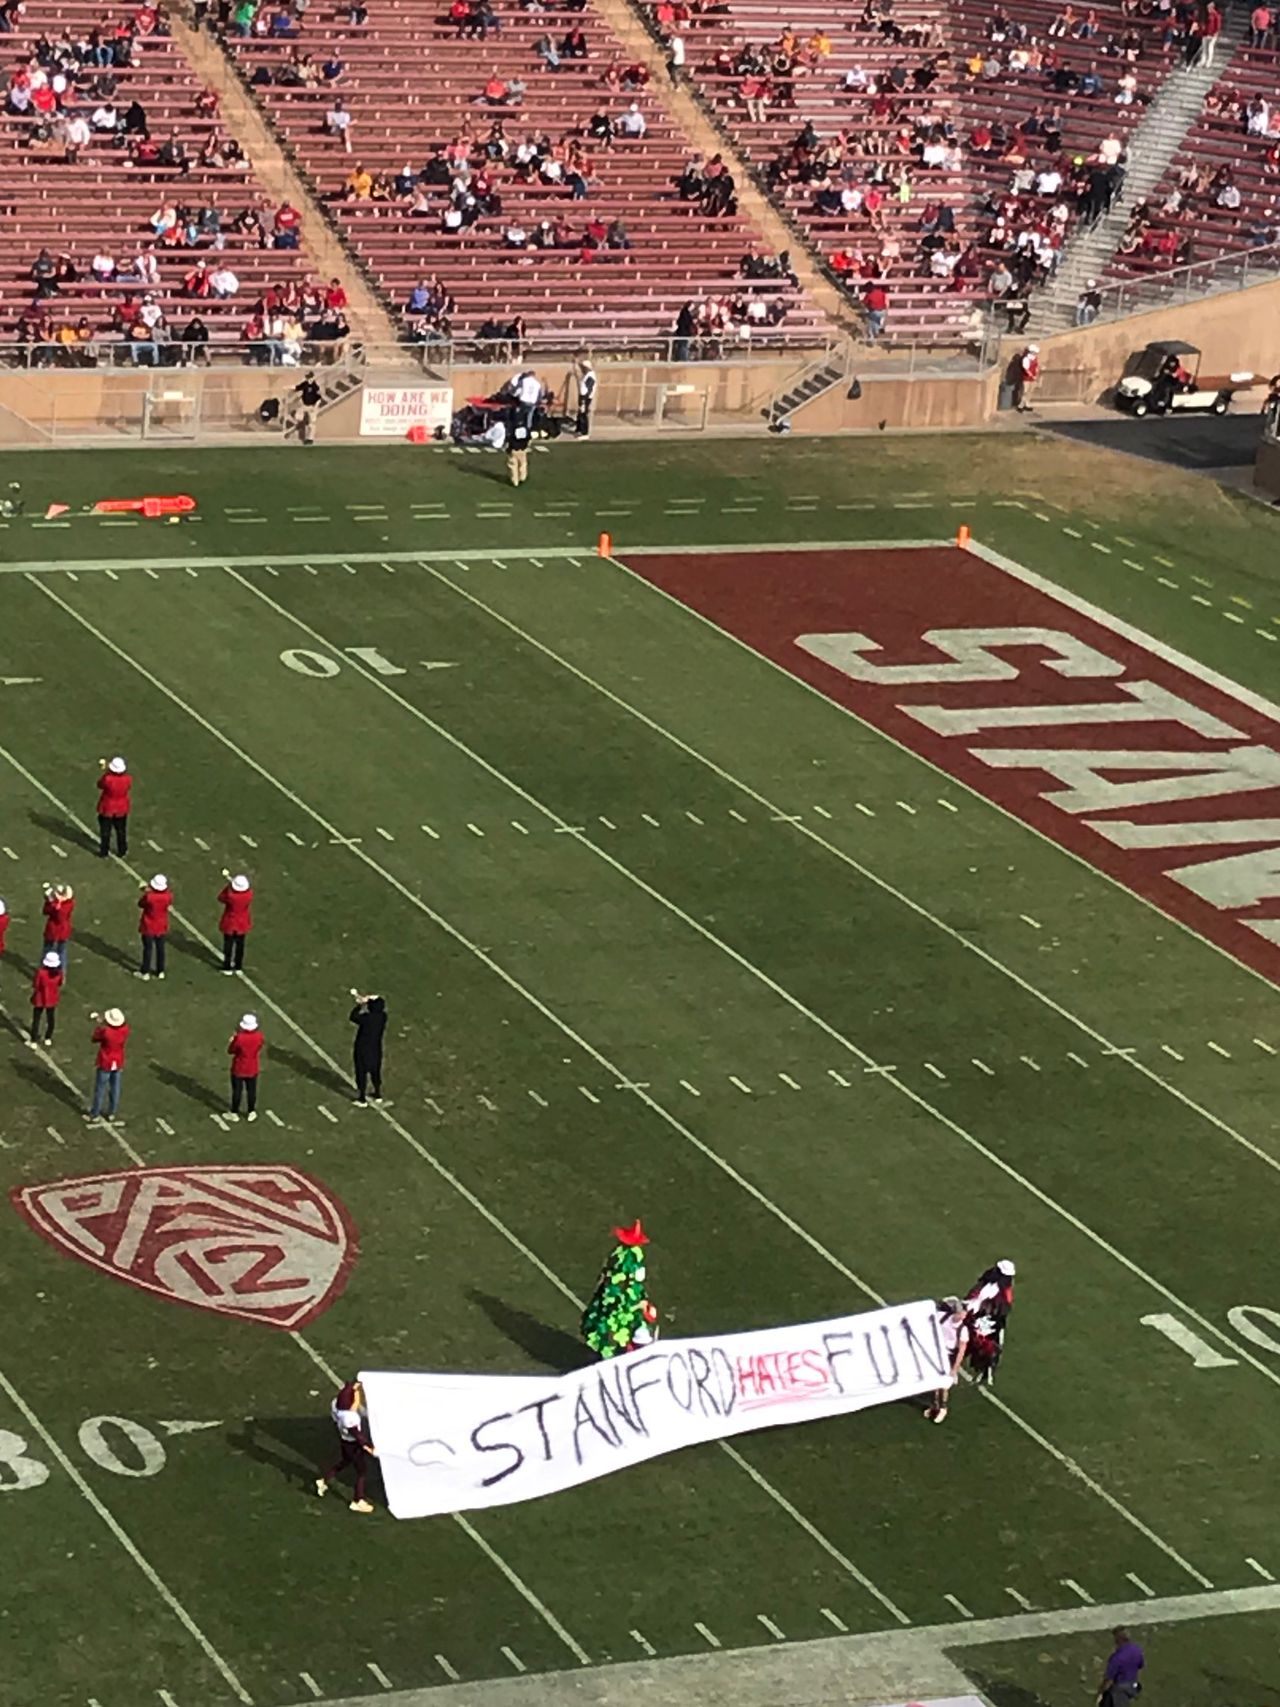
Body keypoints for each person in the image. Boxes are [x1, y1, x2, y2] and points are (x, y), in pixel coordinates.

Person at [316, 1379, 376, 1513]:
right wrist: (368, 1447)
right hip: (353, 1445)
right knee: (362, 1471)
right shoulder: (350, 1418)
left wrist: (355, 1388)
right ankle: (358, 1500)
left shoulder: (336, 1407)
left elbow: (352, 1401)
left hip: (344, 1441)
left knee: (344, 1462)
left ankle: (324, 1480)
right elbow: (357, 1435)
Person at [965, 1259, 1015, 1384]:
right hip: (981, 1319)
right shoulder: (999, 1289)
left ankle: (984, 1370)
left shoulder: (995, 1288)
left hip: (985, 1321)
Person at [923, 1297, 970, 1423]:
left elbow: (961, 1350)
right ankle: (935, 1406)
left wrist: (955, 1369)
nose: (962, 1316)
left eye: (964, 1314)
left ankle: (943, 1408)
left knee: (943, 1384)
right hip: (937, 1353)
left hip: (949, 1356)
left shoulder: (963, 1330)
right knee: (935, 1381)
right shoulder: (943, 1317)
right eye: (960, 1313)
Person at [86, 1006, 129, 1122]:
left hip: (106, 1061)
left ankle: (95, 1114)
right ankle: (112, 1113)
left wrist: (100, 1024)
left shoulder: (106, 1032)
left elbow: (95, 1037)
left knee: (100, 1089)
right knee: (115, 1088)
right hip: (118, 1061)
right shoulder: (125, 1030)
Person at [349, 990, 387, 1105]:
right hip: (376, 1050)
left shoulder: (366, 1018)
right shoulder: (382, 1017)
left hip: (363, 1049)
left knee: (361, 1073)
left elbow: (353, 1017)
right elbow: (379, 1001)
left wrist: (360, 1005)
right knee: (375, 1073)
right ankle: (377, 1094)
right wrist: (368, 998)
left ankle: (362, 1098)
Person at [227, 1013, 264, 1121]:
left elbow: (231, 1050)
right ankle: (251, 1111)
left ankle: (234, 1112)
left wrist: (232, 1041)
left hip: (239, 1068)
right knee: (251, 1091)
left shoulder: (239, 1038)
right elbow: (259, 1046)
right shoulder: (259, 1036)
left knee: (237, 1091)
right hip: (252, 1067)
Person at [137, 873, 172, 978]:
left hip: (149, 925)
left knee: (148, 949)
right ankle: (160, 971)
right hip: (161, 925)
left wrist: (146, 892)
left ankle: (145, 972)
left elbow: (141, 904)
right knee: (160, 949)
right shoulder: (168, 896)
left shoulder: (149, 897)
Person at [1097, 1628, 1144, 1707]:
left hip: (1119, 1691)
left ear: (1118, 1639)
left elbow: (1109, 1680)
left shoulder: (1117, 1658)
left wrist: (1100, 1693)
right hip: (1132, 1686)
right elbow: (1140, 1667)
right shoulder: (1137, 1651)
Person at [218, 872, 253, 973]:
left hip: (230, 922)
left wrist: (228, 887)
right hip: (242, 923)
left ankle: (227, 967)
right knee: (240, 945)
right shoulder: (249, 894)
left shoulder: (231, 896)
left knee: (228, 945)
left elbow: (221, 897)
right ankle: (238, 966)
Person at [97, 754, 131, 856]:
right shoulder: (128, 779)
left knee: (105, 831)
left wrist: (106, 773)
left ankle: (104, 851)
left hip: (107, 807)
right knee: (121, 831)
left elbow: (100, 785)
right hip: (121, 807)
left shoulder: (108, 779)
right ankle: (122, 850)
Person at [29, 949, 63, 1046]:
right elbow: (60, 983)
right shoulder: (59, 973)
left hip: (40, 998)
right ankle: (48, 1037)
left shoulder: (41, 973)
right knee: (51, 1019)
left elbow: (36, 984)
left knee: (37, 1019)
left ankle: (34, 1039)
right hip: (52, 999)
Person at [42, 881, 75, 976]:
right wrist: (49, 902)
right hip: (52, 930)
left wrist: (55, 905)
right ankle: (44, 970)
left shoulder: (68, 904)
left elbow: (60, 918)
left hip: (61, 931)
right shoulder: (55, 902)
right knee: (47, 951)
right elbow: (45, 911)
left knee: (61, 952)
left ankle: (61, 974)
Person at [291, 371, 322, 443]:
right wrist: (290, 388)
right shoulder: (305, 384)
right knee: (299, 416)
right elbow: (297, 387)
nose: (308, 379)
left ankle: (310, 438)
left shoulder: (315, 386)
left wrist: (315, 406)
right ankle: (300, 426)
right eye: (307, 377)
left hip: (312, 406)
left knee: (312, 423)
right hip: (305, 405)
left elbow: (319, 398)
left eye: (309, 377)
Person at [506, 399, 531, 486]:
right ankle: (522, 476)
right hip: (522, 448)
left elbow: (510, 437)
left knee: (513, 464)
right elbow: (528, 437)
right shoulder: (524, 426)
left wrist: (508, 447)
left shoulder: (512, 426)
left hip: (514, 448)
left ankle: (515, 481)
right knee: (523, 463)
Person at [1012, 344, 1039, 412]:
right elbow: (1026, 369)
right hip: (1026, 378)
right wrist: (1032, 375)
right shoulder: (1026, 359)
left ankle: (1027, 404)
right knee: (1025, 392)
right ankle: (1020, 405)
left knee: (1030, 392)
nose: (1035, 354)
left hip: (1032, 378)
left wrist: (1036, 373)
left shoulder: (1034, 359)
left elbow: (1036, 366)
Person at [575, 357, 596, 437]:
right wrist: (577, 362)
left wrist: (584, 399)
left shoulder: (590, 376)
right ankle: (579, 429)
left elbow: (588, 389)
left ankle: (584, 432)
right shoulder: (587, 375)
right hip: (583, 396)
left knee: (583, 413)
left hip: (585, 397)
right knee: (580, 413)